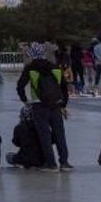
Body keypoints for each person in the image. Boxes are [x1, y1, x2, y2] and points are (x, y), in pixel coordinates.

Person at [16, 42, 72, 172]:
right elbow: (64, 88)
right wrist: (63, 104)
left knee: (44, 135)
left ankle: (51, 163)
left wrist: (25, 100)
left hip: (39, 105)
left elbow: (20, 86)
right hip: (56, 104)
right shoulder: (55, 67)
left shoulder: (30, 68)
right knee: (60, 134)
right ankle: (64, 162)